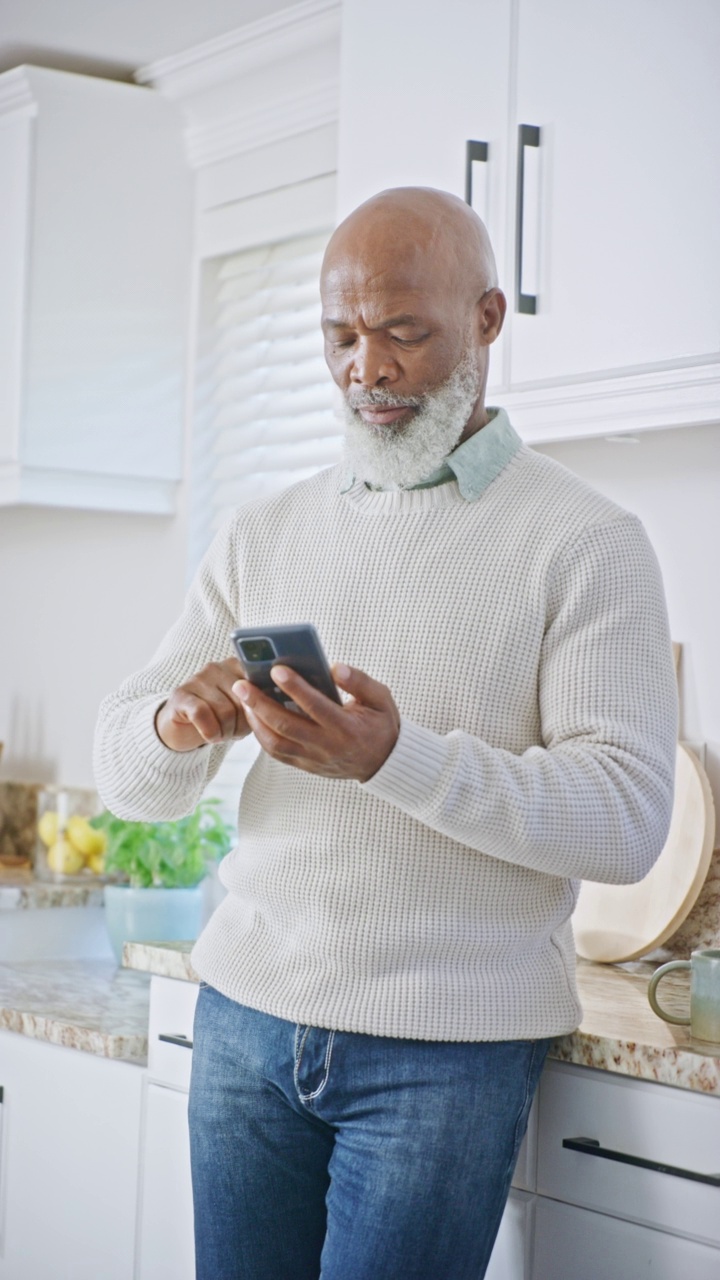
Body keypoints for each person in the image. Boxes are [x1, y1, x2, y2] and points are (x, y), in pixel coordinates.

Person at [94, 187, 678, 1280]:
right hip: (245, 1021)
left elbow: (628, 820)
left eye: (404, 331)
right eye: (341, 335)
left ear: (489, 320)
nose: (369, 366)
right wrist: (183, 724)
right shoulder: (263, 530)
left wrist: (393, 760)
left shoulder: (590, 543)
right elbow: (128, 769)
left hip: (446, 1053)